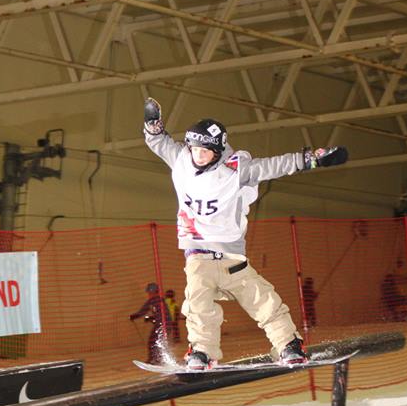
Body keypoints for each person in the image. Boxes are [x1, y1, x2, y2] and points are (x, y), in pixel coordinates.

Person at [142, 97, 349, 370]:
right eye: (195, 150)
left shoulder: (236, 171)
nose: (198, 156)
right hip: (198, 254)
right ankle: (202, 352)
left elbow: (275, 165)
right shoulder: (182, 159)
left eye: (205, 151)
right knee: (197, 303)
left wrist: (311, 160)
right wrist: (153, 125)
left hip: (231, 256)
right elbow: (160, 143)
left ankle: (288, 345)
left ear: (217, 152)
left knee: (263, 299)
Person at [129, 282, 172, 364]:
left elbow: (143, 311)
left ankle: (154, 359)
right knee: (159, 342)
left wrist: (134, 316)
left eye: (148, 292)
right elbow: (161, 313)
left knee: (152, 341)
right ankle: (159, 359)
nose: (148, 294)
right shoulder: (160, 300)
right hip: (167, 324)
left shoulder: (152, 300)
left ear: (152, 292)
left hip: (162, 325)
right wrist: (150, 318)